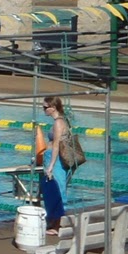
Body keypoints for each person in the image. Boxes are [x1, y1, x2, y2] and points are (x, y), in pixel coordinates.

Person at [40, 95, 71, 234]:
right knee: (53, 191)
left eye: (45, 107)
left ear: (53, 108)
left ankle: (57, 226)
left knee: (57, 190)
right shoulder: (61, 120)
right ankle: (54, 223)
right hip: (53, 159)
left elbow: (57, 146)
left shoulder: (58, 123)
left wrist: (51, 165)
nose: (43, 110)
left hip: (56, 160)